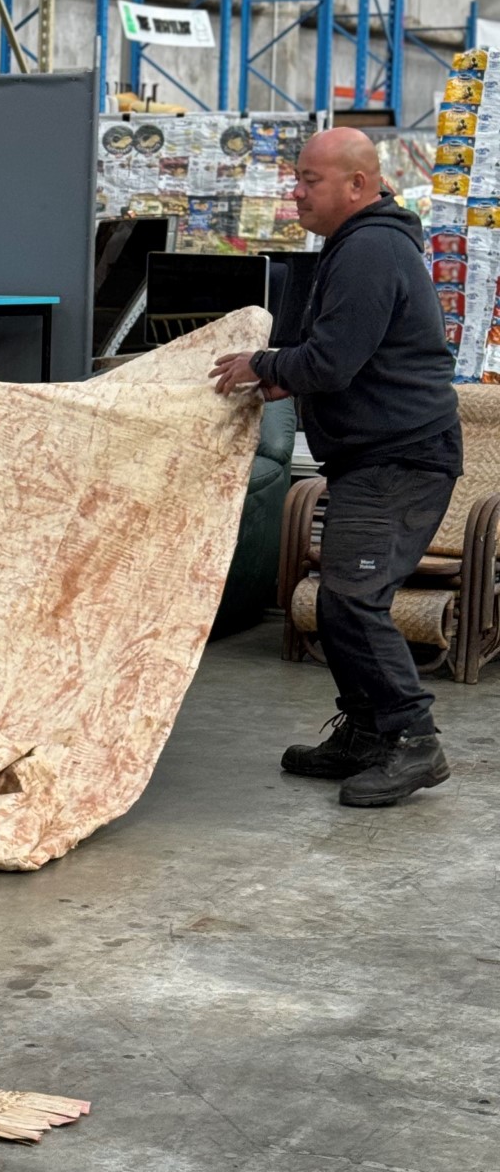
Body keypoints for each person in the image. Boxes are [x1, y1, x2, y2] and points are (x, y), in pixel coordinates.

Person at [210, 126, 460, 807]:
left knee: (353, 598)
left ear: (358, 184)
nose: (295, 190)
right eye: (296, 178)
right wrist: (275, 369)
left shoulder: (372, 249)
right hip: (373, 457)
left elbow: (330, 360)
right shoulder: (353, 246)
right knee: (341, 600)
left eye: (309, 180)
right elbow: (321, 351)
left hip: (400, 458)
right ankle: (366, 730)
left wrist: (260, 367)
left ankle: (414, 738)